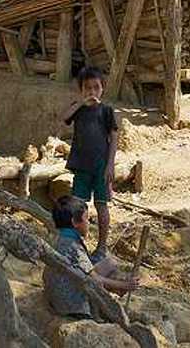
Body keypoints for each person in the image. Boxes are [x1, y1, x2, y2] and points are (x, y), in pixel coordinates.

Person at [42, 195, 138, 320]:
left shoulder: (57, 237)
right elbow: (94, 279)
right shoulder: (73, 247)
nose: (88, 222)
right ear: (74, 222)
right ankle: (97, 312)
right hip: (71, 305)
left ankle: (114, 290)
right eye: (86, 218)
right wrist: (123, 285)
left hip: (55, 295)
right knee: (101, 278)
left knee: (110, 263)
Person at [60, 66, 119, 259]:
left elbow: (114, 137)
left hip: (101, 166)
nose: (92, 92)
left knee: (101, 205)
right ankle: (76, 245)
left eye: (96, 87)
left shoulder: (106, 111)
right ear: (81, 90)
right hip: (81, 165)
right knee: (77, 205)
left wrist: (110, 165)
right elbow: (64, 118)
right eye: (87, 88)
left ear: (103, 89)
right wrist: (80, 103)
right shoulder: (79, 109)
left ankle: (101, 248)